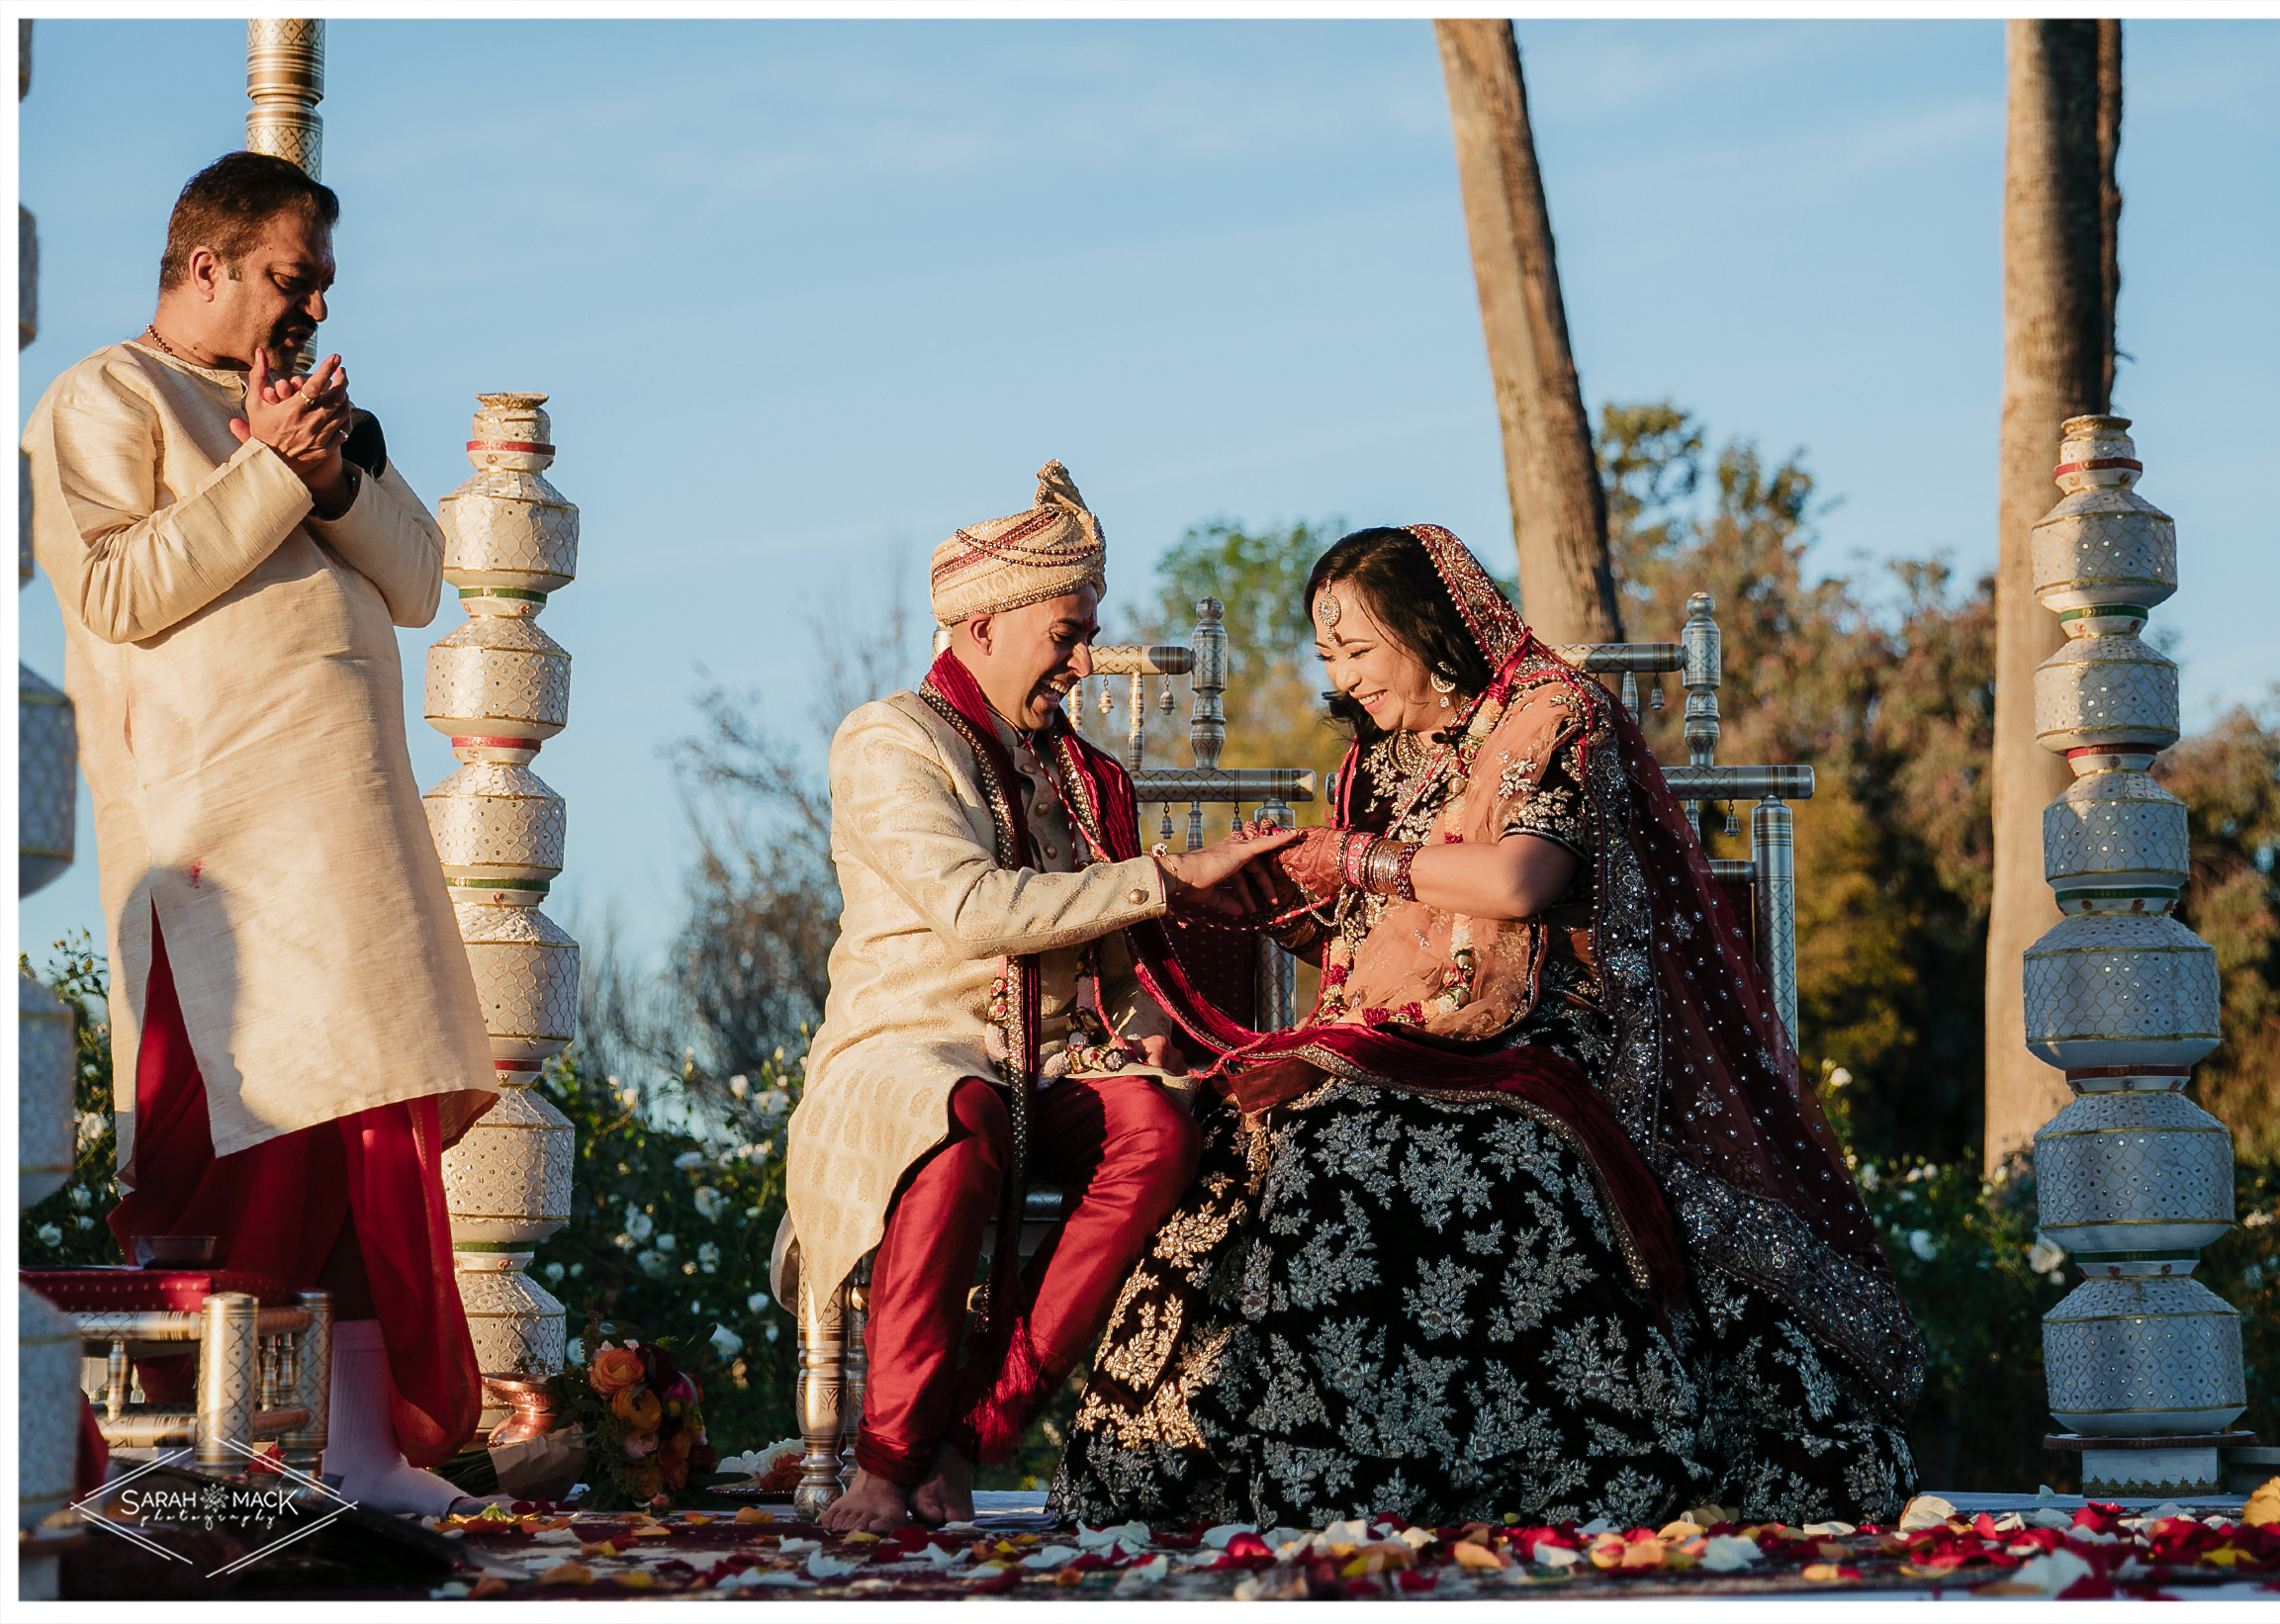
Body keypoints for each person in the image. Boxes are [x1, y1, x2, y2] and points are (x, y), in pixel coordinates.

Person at [1052, 524, 1924, 1530]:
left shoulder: (1553, 715)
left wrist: (1352, 859)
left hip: (1534, 1047)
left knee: (1393, 1155)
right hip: (1383, 1043)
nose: (1341, 674)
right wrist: (1271, 898)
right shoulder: (1380, 761)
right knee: (1258, 1149)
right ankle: (1221, 1471)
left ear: (1428, 629)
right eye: (1327, 654)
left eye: (1358, 650)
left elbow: (1520, 880)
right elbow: (1384, 936)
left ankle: (1477, 1474)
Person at [22, 152, 501, 1514]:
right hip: (222, 849)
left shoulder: (294, 412)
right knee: (252, 1146)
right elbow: (116, 590)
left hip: (349, 842)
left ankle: (363, 1454)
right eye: (293, 280)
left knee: (370, 1145)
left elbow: (418, 582)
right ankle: (204, 1466)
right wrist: (273, 473)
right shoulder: (104, 397)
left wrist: (328, 466)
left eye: (326, 286)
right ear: (211, 263)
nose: (310, 312)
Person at [774, 462, 1301, 1532]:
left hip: (1042, 1068)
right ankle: (885, 1462)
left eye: (1085, 632)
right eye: (1065, 631)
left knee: (1156, 1127)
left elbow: (1112, 969)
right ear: (979, 624)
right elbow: (975, 908)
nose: (1082, 658)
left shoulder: (1080, 774)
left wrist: (1151, 1030)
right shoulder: (889, 740)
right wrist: (1166, 875)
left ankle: (972, 1435)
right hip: (902, 1052)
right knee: (953, 1110)